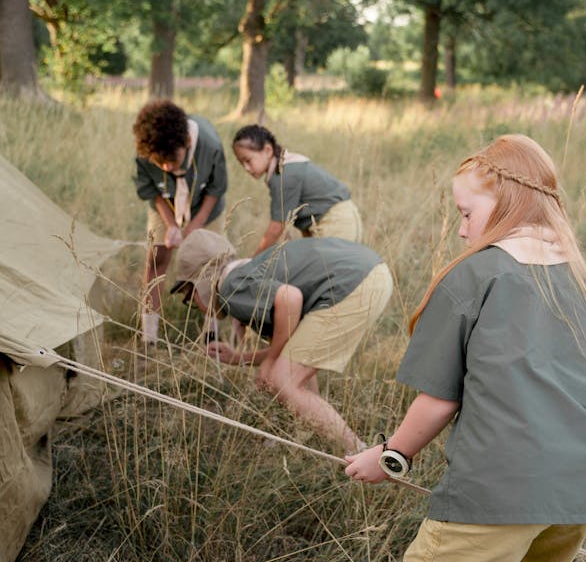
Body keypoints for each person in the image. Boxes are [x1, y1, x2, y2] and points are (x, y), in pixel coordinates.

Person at [240, 133, 586, 562]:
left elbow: (437, 403)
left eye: (466, 212)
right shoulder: (576, 275)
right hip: (584, 479)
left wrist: (388, 457)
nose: (460, 227)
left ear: (503, 205)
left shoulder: (476, 275)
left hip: (507, 484)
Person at [171, 230, 393, 453]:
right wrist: (240, 358)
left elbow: (290, 298)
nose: (193, 305)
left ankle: (359, 453)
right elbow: (293, 350)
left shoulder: (229, 287)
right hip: (372, 272)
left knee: (282, 379)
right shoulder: (252, 271)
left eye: (189, 297)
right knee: (288, 376)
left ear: (200, 282)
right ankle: (315, 436)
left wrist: (271, 362)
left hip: (352, 284)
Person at [133, 100, 228, 344]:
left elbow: (216, 190)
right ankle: (149, 335)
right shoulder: (147, 149)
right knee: (156, 259)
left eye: (172, 161)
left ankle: (211, 329)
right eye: (158, 162)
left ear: (186, 143)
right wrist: (172, 226)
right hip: (166, 201)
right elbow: (150, 189)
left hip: (204, 204)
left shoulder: (210, 145)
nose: (165, 166)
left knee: (211, 261)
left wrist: (194, 226)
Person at [232, 125, 363, 253]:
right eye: (241, 163)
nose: (246, 168)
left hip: (335, 224)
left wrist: (253, 261)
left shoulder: (283, 175)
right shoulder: (286, 165)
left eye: (248, 160)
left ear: (268, 150)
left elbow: (277, 227)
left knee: (326, 272)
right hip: (345, 218)